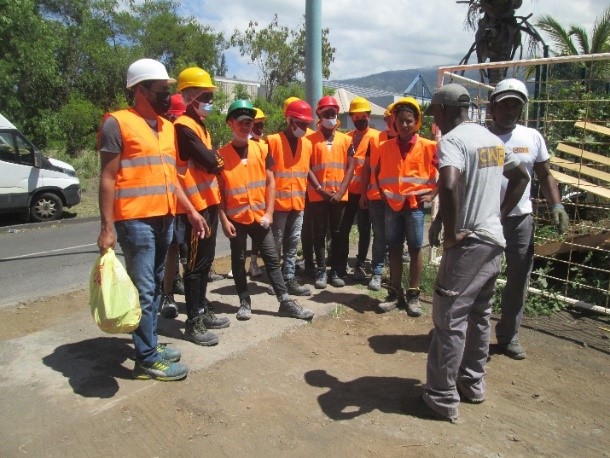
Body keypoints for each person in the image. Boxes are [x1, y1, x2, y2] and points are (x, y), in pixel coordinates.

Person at [422, 83, 529, 422]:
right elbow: (522, 176)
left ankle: (441, 396)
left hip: (468, 245)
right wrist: (497, 214)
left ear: (443, 109)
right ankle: (472, 384)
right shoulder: (491, 140)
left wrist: (452, 233)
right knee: (480, 317)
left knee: (449, 319)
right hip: (493, 241)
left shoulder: (453, 141)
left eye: (435, 112)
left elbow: (450, 183)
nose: (434, 120)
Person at [97, 58, 209, 381]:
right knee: (145, 289)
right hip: (135, 222)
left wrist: (189, 209)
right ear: (140, 90)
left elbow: (171, 177)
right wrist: (107, 228)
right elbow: (107, 177)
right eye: (161, 90)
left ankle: (150, 344)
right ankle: (146, 359)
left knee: (157, 286)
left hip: (165, 218)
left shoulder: (167, 127)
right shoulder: (117, 124)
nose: (166, 96)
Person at [488, 78, 569, 360]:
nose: (510, 111)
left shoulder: (532, 137)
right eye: (505, 105)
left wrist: (556, 204)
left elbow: (545, 174)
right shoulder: (483, 136)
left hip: (520, 219)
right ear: (493, 106)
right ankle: (471, 331)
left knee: (518, 278)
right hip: (486, 218)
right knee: (483, 276)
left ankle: (508, 336)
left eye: (516, 106)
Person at [217, 100, 314, 322]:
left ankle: (285, 301)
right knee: (238, 259)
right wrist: (223, 220)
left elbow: (271, 182)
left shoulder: (261, 149)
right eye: (241, 122)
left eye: (250, 122)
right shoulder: (221, 156)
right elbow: (219, 194)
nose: (246, 126)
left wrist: (269, 213)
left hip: (259, 217)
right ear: (231, 124)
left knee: (271, 258)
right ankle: (244, 302)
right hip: (236, 219)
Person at [174, 66, 231, 346]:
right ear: (190, 96)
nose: (210, 100)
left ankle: (201, 309)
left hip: (208, 203)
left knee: (205, 263)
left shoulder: (198, 125)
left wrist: (213, 159)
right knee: (195, 267)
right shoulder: (183, 127)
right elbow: (212, 162)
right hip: (195, 209)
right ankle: (193, 321)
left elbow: (213, 160)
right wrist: (213, 160)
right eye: (206, 95)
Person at [375, 97, 437, 316]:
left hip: (414, 207)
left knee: (415, 248)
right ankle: (394, 293)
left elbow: (446, 171)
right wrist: (384, 195)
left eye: (409, 121)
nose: (405, 125)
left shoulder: (429, 146)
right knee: (393, 248)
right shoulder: (385, 147)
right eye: (401, 121)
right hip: (392, 206)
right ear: (395, 122)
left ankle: (413, 295)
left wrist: (433, 193)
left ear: (417, 122)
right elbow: (377, 173)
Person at [266, 99, 314, 296]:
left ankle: (289, 277)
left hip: (298, 203)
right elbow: (266, 175)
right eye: (301, 123)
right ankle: (274, 280)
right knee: (275, 243)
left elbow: (305, 171)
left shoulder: (308, 145)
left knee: (293, 242)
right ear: (290, 120)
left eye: (306, 124)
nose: (304, 127)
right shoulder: (273, 141)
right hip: (277, 204)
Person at [307, 96, 355, 289]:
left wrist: (341, 191)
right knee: (318, 234)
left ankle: (335, 270)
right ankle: (321, 271)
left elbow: (351, 167)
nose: (331, 116)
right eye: (326, 113)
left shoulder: (346, 140)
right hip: (318, 196)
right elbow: (307, 167)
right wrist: (320, 189)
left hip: (339, 197)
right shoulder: (309, 140)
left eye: (333, 113)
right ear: (319, 114)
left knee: (337, 234)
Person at [336, 96, 380, 284]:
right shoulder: (346, 138)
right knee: (343, 228)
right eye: (356, 116)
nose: (359, 119)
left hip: (365, 193)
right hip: (348, 193)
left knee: (364, 228)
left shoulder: (376, 137)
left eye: (363, 116)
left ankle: (360, 263)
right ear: (351, 118)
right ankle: (341, 261)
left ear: (368, 116)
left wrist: (366, 193)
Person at [359, 102, 397, 292]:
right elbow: (366, 168)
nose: (393, 121)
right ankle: (377, 272)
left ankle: (394, 275)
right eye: (391, 118)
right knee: (380, 236)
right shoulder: (375, 141)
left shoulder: (408, 140)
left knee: (397, 237)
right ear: (386, 119)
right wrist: (364, 192)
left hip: (400, 199)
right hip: (376, 197)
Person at [160, 93, 187, 319]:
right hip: (168, 203)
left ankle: (171, 288)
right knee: (169, 251)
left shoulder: (183, 132)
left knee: (177, 250)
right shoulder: (165, 135)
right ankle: (166, 294)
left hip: (186, 202)